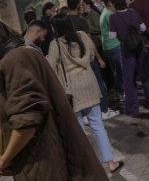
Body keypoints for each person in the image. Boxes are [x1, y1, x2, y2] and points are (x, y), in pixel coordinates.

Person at [0, 0, 108, 179]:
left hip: (48, 164)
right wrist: (5, 117)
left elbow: (28, 121)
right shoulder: (21, 53)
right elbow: (34, 103)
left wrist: (4, 159)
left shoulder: (14, 60)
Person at [47, 14, 124, 174]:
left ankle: (88, 168)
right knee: (98, 125)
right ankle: (110, 163)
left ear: (56, 28)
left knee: (78, 131)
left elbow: (49, 66)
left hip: (71, 91)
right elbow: (90, 56)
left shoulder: (56, 44)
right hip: (89, 84)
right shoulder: (81, 35)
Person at [109, 0, 149, 116]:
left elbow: (112, 36)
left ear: (114, 4)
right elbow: (142, 28)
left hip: (126, 49)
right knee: (146, 75)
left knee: (129, 80)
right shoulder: (133, 12)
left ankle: (132, 109)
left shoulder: (113, 18)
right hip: (140, 46)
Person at [100, 0, 124, 97]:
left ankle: (121, 90)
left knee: (116, 69)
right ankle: (122, 91)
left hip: (109, 46)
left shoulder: (106, 12)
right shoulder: (109, 14)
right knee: (120, 70)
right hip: (113, 45)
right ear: (110, 3)